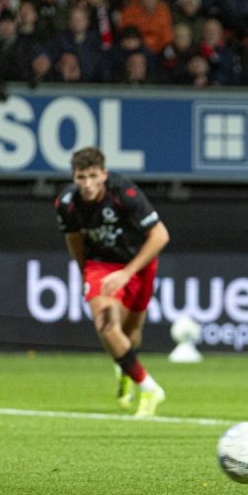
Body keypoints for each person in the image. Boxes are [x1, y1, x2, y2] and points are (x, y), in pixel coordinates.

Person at [54, 147, 169, 417]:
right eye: (81, 177)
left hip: (138, 263)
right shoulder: (67, 203)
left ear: (104, 174)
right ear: (73, 177)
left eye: (93, 176)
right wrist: (85, 273)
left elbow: (160, 236)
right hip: (101, 265)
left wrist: (127, 273)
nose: (87, 184)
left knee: (131, 333)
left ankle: (125, 369)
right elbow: (74, 237)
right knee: (107, 326)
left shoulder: (124, 193)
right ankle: (149, 387)